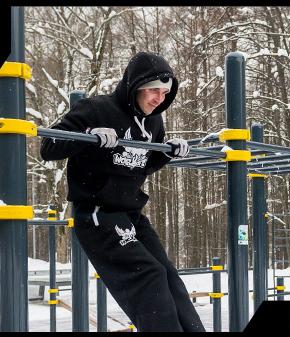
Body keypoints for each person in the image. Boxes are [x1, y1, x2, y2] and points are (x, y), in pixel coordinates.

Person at [40, 52, 206, 332]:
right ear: (135, 86)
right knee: (149, 275)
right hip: (97, 215)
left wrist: (167, 151)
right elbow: (49, 147)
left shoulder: (154, 123)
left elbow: (139, 165)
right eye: (154, 90)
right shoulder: (95, 109)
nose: (159, 98)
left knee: (167, 274)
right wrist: (89, 134)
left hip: (131, 213)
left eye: (165, 93)